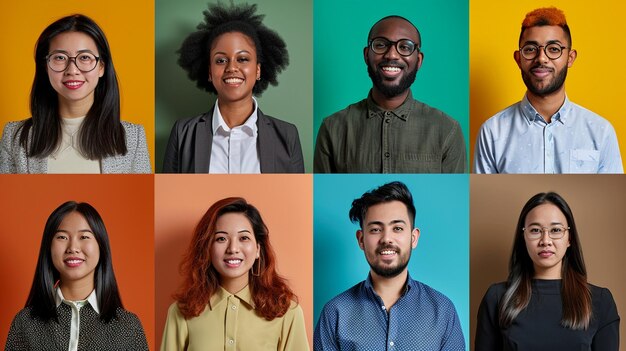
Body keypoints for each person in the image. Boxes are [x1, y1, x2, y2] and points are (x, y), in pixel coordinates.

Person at [314, 181, 465, 350]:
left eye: (398, 228)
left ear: (413, 238)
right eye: (376, 229)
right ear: (361, 239)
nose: (387, 238)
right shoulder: (335, 313)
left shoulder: (443, 311)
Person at [474, 7, 623, 174]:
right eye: (530, 49)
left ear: (570, 58)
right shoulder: (493, 132)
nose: (542, 58)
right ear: (518, 59)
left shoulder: (601, 131)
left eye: (554, 49)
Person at [162, 3, 304, 174]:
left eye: (243, 59)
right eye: (221, 60)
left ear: (258, 69)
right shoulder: (182, 133)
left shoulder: (287, 135)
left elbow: (293, 199)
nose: (232, 67)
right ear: (209, 71)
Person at [313, 16, 466, 173]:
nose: (392, 55)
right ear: (367, 55)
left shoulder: (447, 130)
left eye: (405, 47)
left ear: (418, 60)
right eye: (380, 45)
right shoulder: (332, 128)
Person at [0, 14, 151, 174]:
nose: (72, 70)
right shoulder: (14, 136)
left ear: (101, 67)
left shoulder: (133, 138)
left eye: (85, 57)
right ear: (46, 66)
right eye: (60, 57)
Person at [475, 192, 620, 350]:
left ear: (569, 238)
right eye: (535, 230)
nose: (545, 241)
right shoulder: (497, 297)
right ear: (523, 237)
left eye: (556, 230)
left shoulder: (600, 301)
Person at [160, 197, 309, 350]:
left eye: (244, 238)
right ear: (208, 249)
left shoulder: (287, 312)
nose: (233, 248)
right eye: (221, 238)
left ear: (258, 249)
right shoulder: (181, 311)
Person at [5, 201, 148, 350]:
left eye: (84, 237)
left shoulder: (129, 327)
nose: (73, 248)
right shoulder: (25, 323)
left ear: (101, 246)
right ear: (48, 246)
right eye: (62, 237)